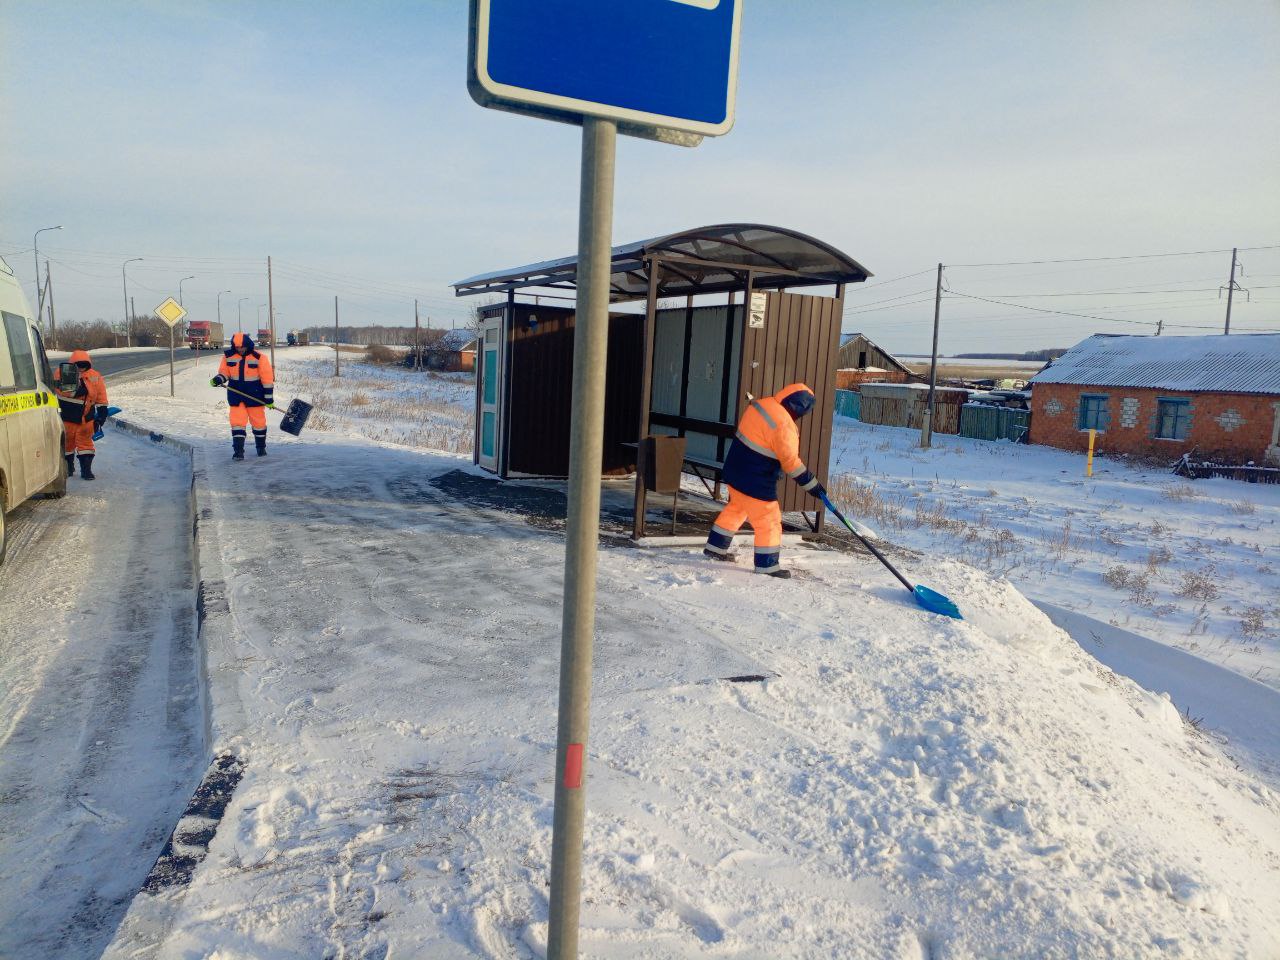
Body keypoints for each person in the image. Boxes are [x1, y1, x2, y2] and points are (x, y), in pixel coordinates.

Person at [704, 382, 825, 579]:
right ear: (799, 408)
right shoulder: (784, 425)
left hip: (734, 472)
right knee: (769, 521)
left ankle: (715, 547)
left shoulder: (762, 405)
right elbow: (791, 464)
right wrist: (813, 486)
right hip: (755, 480)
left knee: (737, 508)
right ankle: (767, 566)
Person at [211, 332, 274, 460]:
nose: (240, 349)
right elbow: (224, 373)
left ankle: (261, 448)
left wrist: (269, 399)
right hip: (236, 396)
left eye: (243, 347)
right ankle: (238, 451)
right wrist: (218, 379)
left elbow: (267, 379)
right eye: (238, 347)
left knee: (259, 423)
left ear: (248, 345)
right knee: (237, 423)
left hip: (255, 396)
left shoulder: (259, 358)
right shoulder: (228, 357)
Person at [56, 349, 109, 480]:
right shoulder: (61, 373)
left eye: (83, 365)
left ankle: (86, 471)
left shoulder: (95, 375)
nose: (81, 369)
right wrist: (81, 390)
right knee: (67, 444)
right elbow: (63, 391)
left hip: (87, 418)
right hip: (68, 417)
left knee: (86, 445)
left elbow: (101, 395)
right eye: (78, 366)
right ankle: (68, 467)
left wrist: (102, 412)